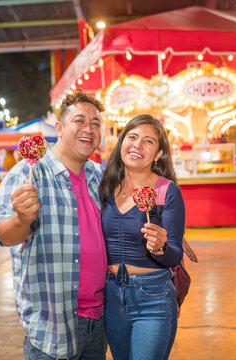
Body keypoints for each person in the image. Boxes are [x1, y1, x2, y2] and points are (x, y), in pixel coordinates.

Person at [0, 91, 107, 360]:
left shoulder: (99, 176)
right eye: (79, 121)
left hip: (99, 318)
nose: (88, 129)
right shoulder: (28, 173)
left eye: (95, 123)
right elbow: (3, 235)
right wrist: (21, 219)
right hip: (53, 323)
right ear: (59, 128)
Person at [98, 114, 185, 360]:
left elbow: (174, 255)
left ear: (158, 154)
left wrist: (161, 247)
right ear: (122, 143)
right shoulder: (105, 187)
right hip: (111, 294)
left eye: (148, 141)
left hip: (153, 297)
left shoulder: (166, 191)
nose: (137, 145)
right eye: (132, 137)